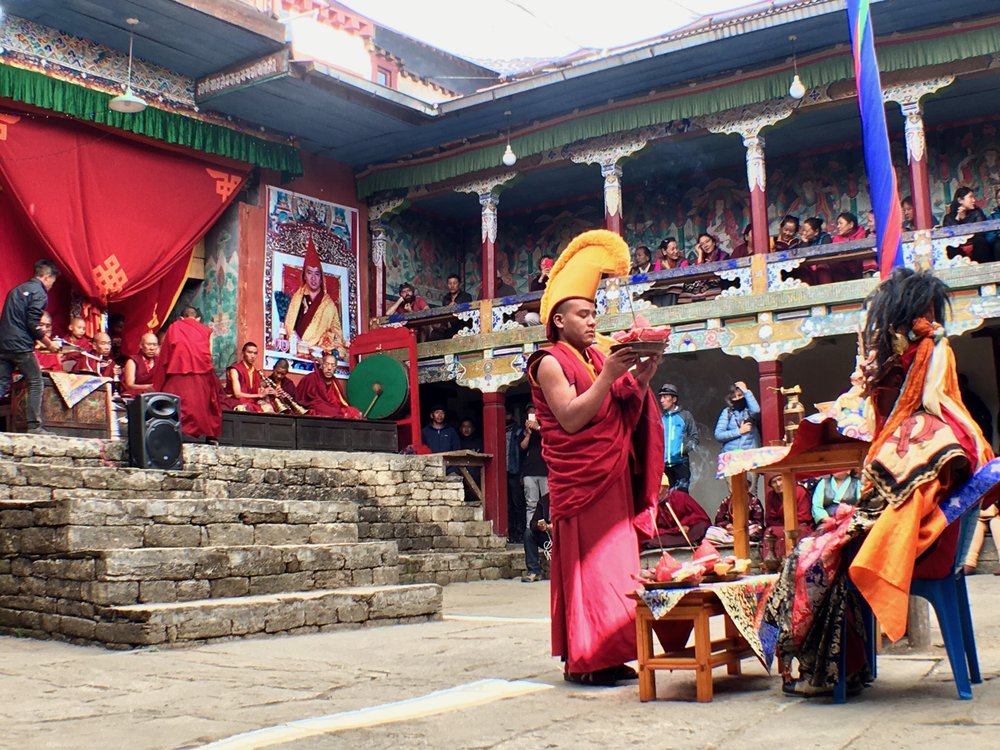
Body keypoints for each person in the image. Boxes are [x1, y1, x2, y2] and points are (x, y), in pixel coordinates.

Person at [764, 268, 998, 696]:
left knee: (815, 556)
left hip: (918, 547)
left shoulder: (924, 432)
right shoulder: (953, 426)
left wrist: (845, 526)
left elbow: (894, 507)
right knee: (824, 544)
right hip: (926, 540)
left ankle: (832, 673)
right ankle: (845, 669)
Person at [526, 228, 663, 686]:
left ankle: (615, 652)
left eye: (593, 313)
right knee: (591, 570)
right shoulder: (549, 361)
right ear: (559, 321)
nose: (591, 321)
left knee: (618, 570)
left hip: (613, 475)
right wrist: (607, 376)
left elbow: (626, 407)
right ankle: (586, 659)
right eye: (582, 314)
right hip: (582, 483)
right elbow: (568, 419)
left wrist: (643, 374)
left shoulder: (594, 357)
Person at [0, 259, 60, 434]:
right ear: (47, 277)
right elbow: (33, 324)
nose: (51, 287)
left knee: (2, 383)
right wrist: (49, 344)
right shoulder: (39, 293)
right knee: (35, 381)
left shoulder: (15, 290)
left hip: (3, 344)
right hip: (20, 346)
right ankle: (34, 426)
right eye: (52, 283)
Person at [152, 306, 222, 441]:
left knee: (173, 402)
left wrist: (159, 380)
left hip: (177, 371)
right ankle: (209, 437)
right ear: (197, 319)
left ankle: (171, 433)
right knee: (207, 403)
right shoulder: (206, 331)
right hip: (202, 374)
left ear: (181, 318)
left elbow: (166, 353)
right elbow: (209, 356)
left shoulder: (174, 327)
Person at [282, 236, 348, 361]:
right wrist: (298, 343)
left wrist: (325, 341)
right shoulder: (297, 298)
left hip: (318, 355)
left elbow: (337, 335)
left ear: (321, 277)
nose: (313, 278)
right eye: (309, 273)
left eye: (317, 274)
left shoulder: (329, 305)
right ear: (304, 276)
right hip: (296, 351)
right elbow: (289, 324)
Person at [643, 480, 711, 549]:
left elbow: (701, 517)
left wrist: (686, 525)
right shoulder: (650, 505)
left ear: (666, 487)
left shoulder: (680, 496)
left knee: (700, 528)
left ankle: (689, 541)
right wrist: (675, 530)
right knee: (649, 540)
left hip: (686, 531)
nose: (656, 492)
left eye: (658, 488)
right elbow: (649, 528)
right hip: (668, 535)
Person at [762, 474, 813, 561]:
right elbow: (769, 518)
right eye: (774, 482)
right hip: (780, 526)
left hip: (799, 525)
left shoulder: (800, 491)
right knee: (769, 532)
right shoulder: (771, 496)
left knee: (799, 532)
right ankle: (771, 564)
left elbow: (804, 516)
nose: (778, 484)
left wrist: (788, 524)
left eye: (780, 479)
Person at [659, 383, 699, 492]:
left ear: (674, 399)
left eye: (665, 397)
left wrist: (683, 449)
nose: (662, 400)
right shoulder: (660, 418)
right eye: (661, 397)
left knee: (681, 498)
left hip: (680, 464)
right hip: (663, 467)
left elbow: (694, 437)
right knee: (664, 498)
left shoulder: (685, 415)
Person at [296, 353, 363, 419]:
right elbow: (308, 400)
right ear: (322, 365)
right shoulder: (311, 377)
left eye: (333, 365)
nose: (329, 368)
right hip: (318, 406)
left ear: (336, 368)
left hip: (332, 407)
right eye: (327, 364)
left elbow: (339, 401)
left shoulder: (334, 382)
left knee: (353, 411)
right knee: (322, 409)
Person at [942, 186, 997, 263]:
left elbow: (980, 231)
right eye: (970, 197)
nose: (974, 200)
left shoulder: (977, 212)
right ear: (960, 200)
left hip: (976, 245)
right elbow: (949, 236)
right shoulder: (948, 217)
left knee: (981, 243)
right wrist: (958, 218)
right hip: (958, 247)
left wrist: (964, 218)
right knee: (951, 248)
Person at [519, 404, 549, 533]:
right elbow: (522, 447)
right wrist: (529, 433)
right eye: (530, 413)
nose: (532, 416)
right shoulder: (524, 431)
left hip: (546, 471)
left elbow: (551, 439)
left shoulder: (547, 428)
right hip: (530, 472)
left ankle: (549, 532)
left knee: (548, 503)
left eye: (534, 413)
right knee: (531, 504)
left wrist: (538, 427)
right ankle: (530, 533)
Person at [225, 342, 274, 412]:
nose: (253, 356)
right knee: (243, 408)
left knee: (269, 408)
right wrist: (259, 395)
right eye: (249, 352)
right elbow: (237, 394)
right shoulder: (235, 369)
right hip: (236, 401)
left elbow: (258, 392)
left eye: (255, 353)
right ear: (243, 353)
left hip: (251, 401)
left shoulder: (256, 372)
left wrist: (267, 392)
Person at [714, 380, 760, 455]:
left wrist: (746, 391)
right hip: (731, 456)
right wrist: (739, 431)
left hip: (750, 455)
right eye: (734, 397)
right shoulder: (727, 412)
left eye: (740, 395)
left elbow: (756, 411)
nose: (737, 398)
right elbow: (718, 435)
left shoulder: (749, 410)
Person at [429, 274, 474, 341]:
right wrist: (448, 309)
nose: (452, 286)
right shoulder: (446, 298)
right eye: (450, 283)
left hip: (462, 325)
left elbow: (468, 312)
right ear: (447, 285)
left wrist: (457, 307)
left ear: (459, 284)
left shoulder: (466, 296)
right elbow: (443, 314)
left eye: (454, 283)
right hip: (449, 327)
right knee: (434, 335)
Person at [505, 408, 526, 543]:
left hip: (515, 470)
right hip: (501, 471)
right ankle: (510, 532)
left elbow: (523, 454)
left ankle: (520, 532)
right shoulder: (497, 429)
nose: (505, 416)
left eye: (507, 413)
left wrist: (522, 474)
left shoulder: (518, 431)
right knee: (507, 505)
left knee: (517, 503)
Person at [961, 504, 1000, 576]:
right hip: (978, 515)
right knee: (975, 527)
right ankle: (969, 563)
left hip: (997, 516)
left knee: (996, 524)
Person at [522, 492, 551, 583]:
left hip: (565, 536)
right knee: (529, 533)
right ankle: (534, 571)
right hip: (548, 536)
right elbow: (533, 523)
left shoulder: (568, 498)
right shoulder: (545, 500)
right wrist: (539, 526)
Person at [121, 332, 159, 398]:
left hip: (155, 397)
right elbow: (129, 385)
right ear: (141, 345)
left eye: (154, 345)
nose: (152, 348)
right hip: (135, 396)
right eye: (149, 344)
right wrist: (149, 387)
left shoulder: (159, 361)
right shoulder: (133, 361)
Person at [458, 418, 483, 501]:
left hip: (477, 477)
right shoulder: (457, 442)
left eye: (469, 426)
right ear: (460, 428)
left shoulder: (480, 442)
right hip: (461, 475)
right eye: (464, 426)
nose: (466, 429)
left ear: (473, 429)